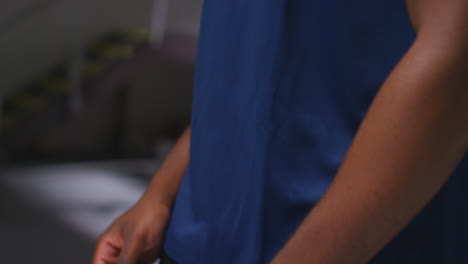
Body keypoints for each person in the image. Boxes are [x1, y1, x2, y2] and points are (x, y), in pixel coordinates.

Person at [92, 0, 468, 263]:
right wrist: (162, 192)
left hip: (357, 248)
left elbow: (455, 60)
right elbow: (248, 62)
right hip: (198, 240)